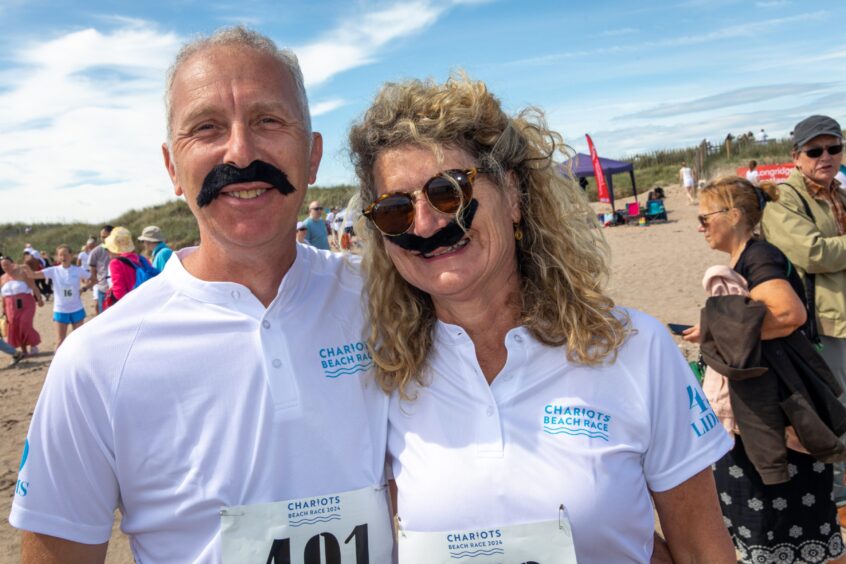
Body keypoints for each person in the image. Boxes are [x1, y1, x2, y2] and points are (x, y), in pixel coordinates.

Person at [10, 26, 391, 563]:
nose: (240, 150)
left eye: (268, 120)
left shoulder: (388, 302)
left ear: (312, 156)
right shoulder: (95, 362)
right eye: (207, 127)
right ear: (172, 168)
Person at [349, 74, 735, 562]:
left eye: (448, 192)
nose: (425, 225)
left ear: (511, 195)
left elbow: (704, 551)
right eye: (395, 210)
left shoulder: (634, 348)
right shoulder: (387, 373)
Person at [685, 176, 846, 563]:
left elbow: (789, 314)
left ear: (734, 215)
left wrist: (718, 332)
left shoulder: (759, 257)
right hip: (769, 396)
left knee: (779, 509)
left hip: (775, 399)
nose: (700, 226)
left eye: (706, 218)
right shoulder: (749, 257)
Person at [761, 115, 846, 391]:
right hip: (823, 323)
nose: (826, 157)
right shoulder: (783, 198)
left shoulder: (838, 193)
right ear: (796, 157)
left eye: (833, 149)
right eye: (814, 151)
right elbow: (813, 253)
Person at [30, 244, 92, 349]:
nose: (63, 257)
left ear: (71, 256)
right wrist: (24, 268)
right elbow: (34, 275)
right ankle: (57, 363)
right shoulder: (53, 270)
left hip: (77, 308)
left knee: (79, 339)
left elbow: (94, 279)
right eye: (61, 255)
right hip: (61, 310)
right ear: (58, 257)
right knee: (60, 340)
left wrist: (84, 288)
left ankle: (78, 360)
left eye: (66, 254)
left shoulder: (78, 270)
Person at [0, 256, 42, 357]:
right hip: (10, 305)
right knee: (15, 327)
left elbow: (34, 287)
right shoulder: (2, 278)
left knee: (25, 324)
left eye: (7, 264)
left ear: (12, 263)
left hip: (26, 302)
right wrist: (3, 309)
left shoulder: (22, 273)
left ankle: (33, 344)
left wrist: (39, 299)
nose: (5, 267)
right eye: (3, 265)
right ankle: (23, 349)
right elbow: (2, 296)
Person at [87, 225, 114, 314]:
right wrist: (94, 282)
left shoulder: (121, 250)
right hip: (103, 289)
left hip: (118, 289)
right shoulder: (96, 251)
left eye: (106, 236)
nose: (104, 239)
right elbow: (92, 270)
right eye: (102, 237)